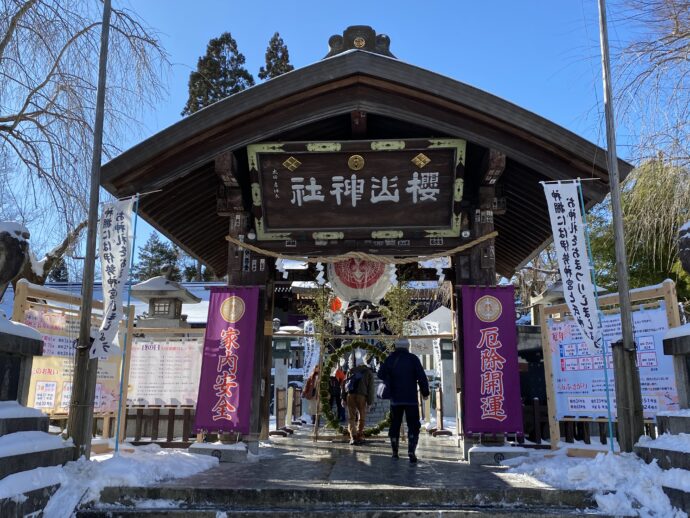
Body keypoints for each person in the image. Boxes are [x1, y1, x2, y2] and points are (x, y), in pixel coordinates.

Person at [377, 338, 430, 463]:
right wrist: (425, 392)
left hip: (395, 399)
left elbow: (380, 374)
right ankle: (411, 451)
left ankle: (395, 452)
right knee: (413, 425)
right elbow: (422, 377)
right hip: (411, 398)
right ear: (407, 346)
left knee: (395, 424)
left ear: (395, 346)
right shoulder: (413, 359)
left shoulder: (390, 359)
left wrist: (389, 375)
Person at [344, 352, 375, 445]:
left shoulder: (351, 370)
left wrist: (343, 398)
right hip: (362, 396)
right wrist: (370, 402)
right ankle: (359, 435)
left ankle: (353, 437)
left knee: (351, 417)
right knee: (362, 416)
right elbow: (371, 389)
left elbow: (344, 384)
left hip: (350, 395)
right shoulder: (368, 372)